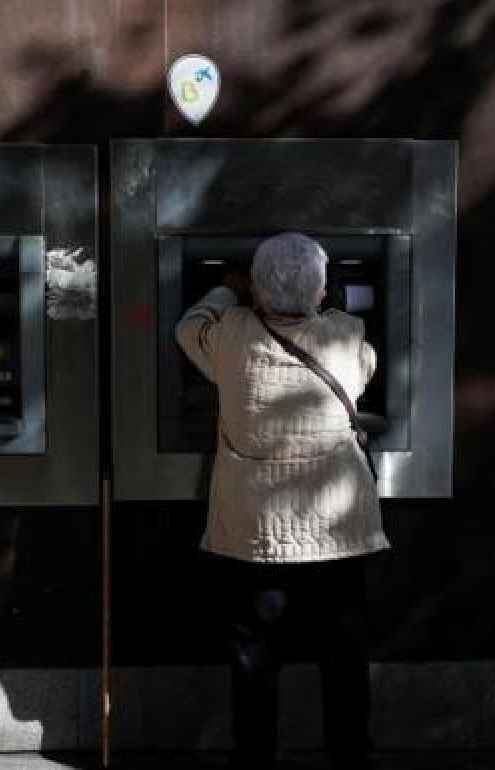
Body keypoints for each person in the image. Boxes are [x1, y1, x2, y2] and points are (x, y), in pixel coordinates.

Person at [174, 232, 390, 770]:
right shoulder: (347, 334)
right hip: (337, 531)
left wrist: (227, 291)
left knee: (255, 654)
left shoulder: (229, 338)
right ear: (319, 290)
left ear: (256, 289)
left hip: (256, 535)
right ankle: (350, 757)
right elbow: (365, 370)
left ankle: (254, 759)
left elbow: (187, 329)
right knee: (343, 654)